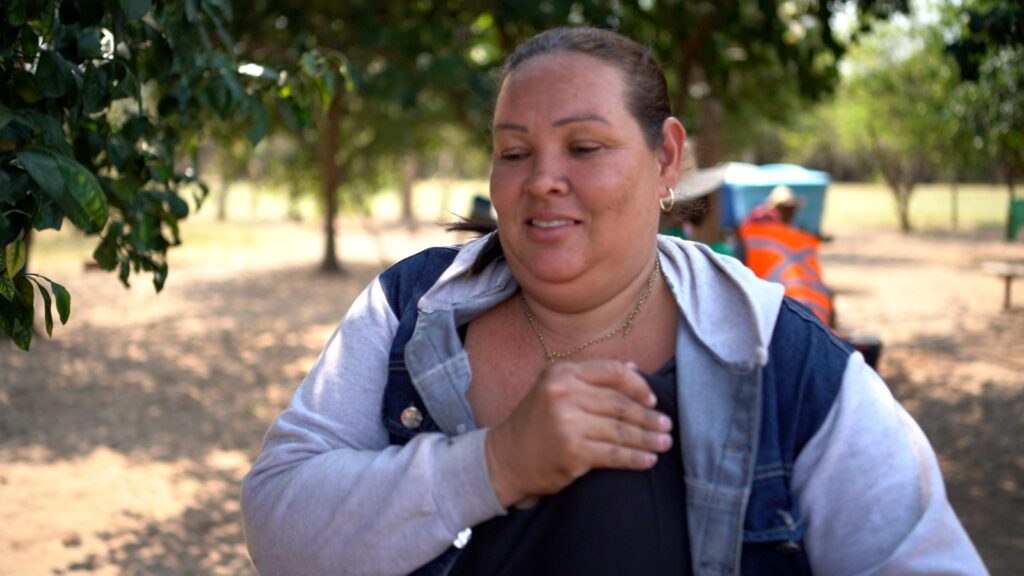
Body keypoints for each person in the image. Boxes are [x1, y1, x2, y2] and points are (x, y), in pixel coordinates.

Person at [241, 27, 985, 576]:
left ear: (665, 156)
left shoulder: (782, 359)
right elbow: (277, 528)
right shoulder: (409, 308)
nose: (542, 180)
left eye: (585, 148)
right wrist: (492, 465)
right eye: (513, 152)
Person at [737, 185, 833, 326]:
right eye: (790, 209)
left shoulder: (750, 232)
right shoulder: (796, 238)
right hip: (801, 312)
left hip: (774, 310)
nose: (792, 214)